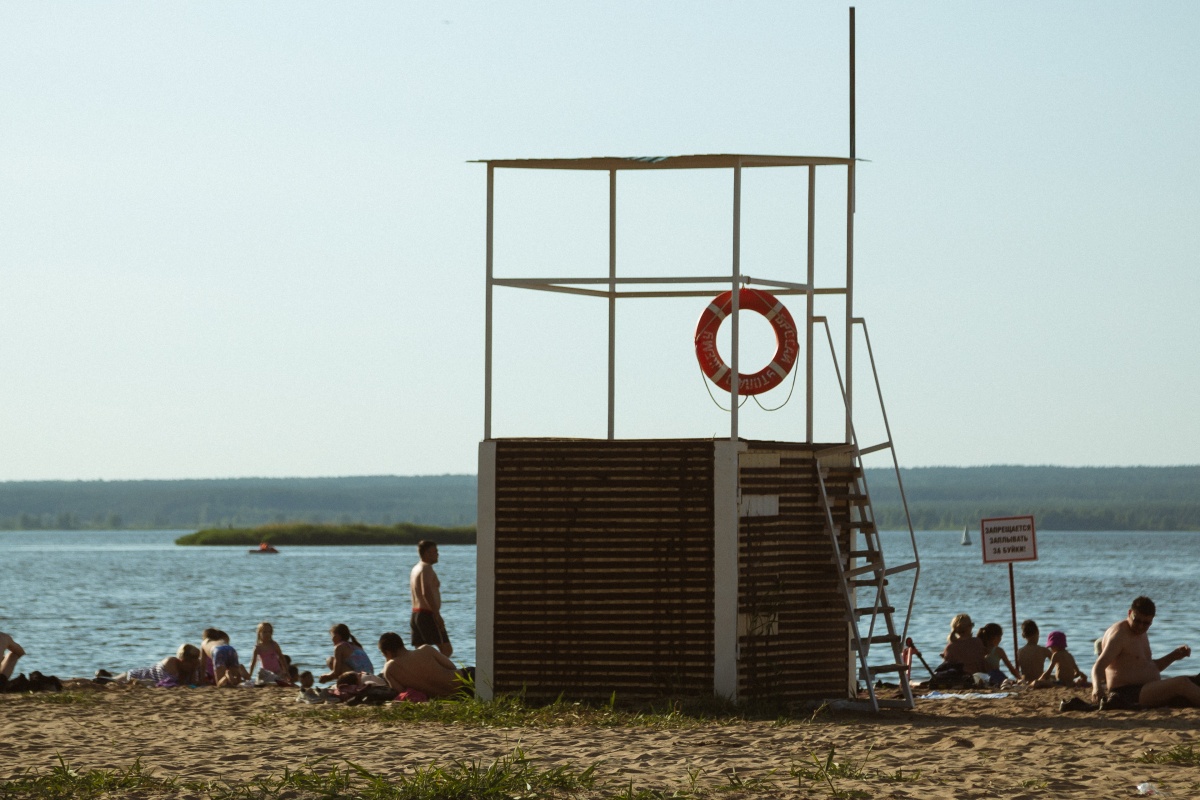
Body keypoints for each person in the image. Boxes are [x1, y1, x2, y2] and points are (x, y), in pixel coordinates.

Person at [1091, 596, 1200, 709]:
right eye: (1137, 621)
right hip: (1127, 693)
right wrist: (1097, 688)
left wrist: (1174, 656)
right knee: (1181, 683)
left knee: (1197, 680)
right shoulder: (1119, 635)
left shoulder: (1141, 633)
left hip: (1147, 689)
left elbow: (1149, 667)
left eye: (1146, 623)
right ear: (1129, 613)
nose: (1140, 626)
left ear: (1152, 621)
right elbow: (1098, 665)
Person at [377, 631, 472, 698]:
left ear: (387, 652)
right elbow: (452, 667)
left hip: (449, 697)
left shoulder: (389, 670)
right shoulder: (426, 649)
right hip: (466, 682)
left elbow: (403, 693)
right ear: (401, 644)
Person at [410, 540, 452, 657]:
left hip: (416, 615)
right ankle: (439, 674)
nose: (438, 554)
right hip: (427, 614)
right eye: (435, 552)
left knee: (421, 653)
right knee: (446, 650)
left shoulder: (416, 568)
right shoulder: (427, 568)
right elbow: (426, 591)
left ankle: (422, 674)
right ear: (427, 553)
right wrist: (437, 614)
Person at [111, 644, 203, 686]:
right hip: (134, 675)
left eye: (195, 662)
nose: (193, 665)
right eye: (191, 662)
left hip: (142, 679)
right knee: (110, 681)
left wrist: (194, 671)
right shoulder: (170, 662)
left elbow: (192, 684)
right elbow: (168, 683)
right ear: (182, 660)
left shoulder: (190, 668)